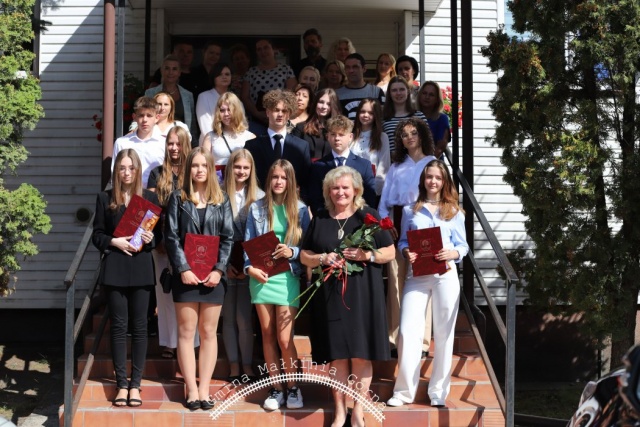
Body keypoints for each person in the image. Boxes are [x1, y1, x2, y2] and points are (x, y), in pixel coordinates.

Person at [300, 166, 395, 427]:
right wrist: (322, 257)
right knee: (337, 355)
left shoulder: (368, 216)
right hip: (330, 297)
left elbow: (390, 252)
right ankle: (340, 411)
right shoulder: (320, 218)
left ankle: (358, 411)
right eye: (335, 188)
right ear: (328, 191)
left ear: (356, 190)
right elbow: (304, 255)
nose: (340, 192)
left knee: (361, 355)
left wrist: (367, 255)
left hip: (364, 296)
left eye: (345, 187)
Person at [387, 159, 469, 408]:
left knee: (444, 333)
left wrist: (452, 253)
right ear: (423, 180)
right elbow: (403, 241)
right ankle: (403, 392)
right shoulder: (410, 210)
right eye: (429, 177)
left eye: (438, 178)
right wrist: (406, 252)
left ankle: (438, 392)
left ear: (444, 182)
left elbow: (463, 246)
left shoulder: (454, 212)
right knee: (407, 331)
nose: (433, 181)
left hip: (446, 275)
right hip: (417, 276)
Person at [164, 147, 234, 410]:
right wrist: (183, 268)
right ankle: (191, 390)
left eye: (204, 165)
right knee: (186, 332)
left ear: (211, 169)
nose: (200, 170)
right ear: (188, 169)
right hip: (186, 276)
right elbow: (171, 237)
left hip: (214, 276)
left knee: (208, 332)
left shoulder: (221, 199)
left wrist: (219, 269)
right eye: (195, 165)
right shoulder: (178, 198)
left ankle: (204, 389)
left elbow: (227, 238)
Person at [92, 149, 161, 408]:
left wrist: (151, 239)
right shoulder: (105, 198)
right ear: (116, 171)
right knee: (119, 327)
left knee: (140, 327)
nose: (127, 172)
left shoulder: (150, 199)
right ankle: (121, 384)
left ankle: (135, 385)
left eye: (131, 167)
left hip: (141, 268)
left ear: (138, 170)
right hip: (116, 267)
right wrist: (114, 241)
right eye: (122, 167)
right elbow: (97, 235)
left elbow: (158, 237)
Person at [244, 159, 311, 411]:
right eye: (275, 177)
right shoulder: (256, 209)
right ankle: (276, 388)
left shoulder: (301, 210)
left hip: (288, 277)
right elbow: (248, 245)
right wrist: (249, 269)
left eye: (283, 177)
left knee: (284, 338)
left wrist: (292, 251)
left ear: (290, 180)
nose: (279, 181)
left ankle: (293, 387)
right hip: (261, 278)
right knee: (267, 334)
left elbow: (309, 248)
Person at [379, 118, 436, 362]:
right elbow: (384, 201)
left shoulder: (432, 163)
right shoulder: (396, 166)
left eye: (413, 133)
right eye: (404, 135)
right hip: (398, 221)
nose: (409, 137)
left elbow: (441, 195)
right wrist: (386, 224)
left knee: (424, 281)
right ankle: (395, 338)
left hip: (423, 221)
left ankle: (422, 341)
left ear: (421, 135)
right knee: (395, 281)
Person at [147, 127, 192, 360]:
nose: (174, 148)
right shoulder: (157, 173)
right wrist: (156, 240)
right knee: (164, 292)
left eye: (178, 143)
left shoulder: (194, 170)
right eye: (170, 143)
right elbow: (151, 209)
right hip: (163, 242)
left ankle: (190, 341)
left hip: (189, 242)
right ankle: (168, 342)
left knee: (188, 293)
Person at [221, 149, 264, 380]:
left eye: (246, 168)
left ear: (252, 170)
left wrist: (250, 264)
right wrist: (224, 264)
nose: (241, 171)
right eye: (237, 166)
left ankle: (247, 365)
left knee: (244, 318)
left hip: (250, 263)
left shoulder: (260, 196)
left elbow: (262, 233)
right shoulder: (218, 193)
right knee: (228, 318)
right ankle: (234, 366)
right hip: (225, 260)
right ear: (230, 168)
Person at [244, 89, 311, 199]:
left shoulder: (301, 146)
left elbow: (306, 180)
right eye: (276, 110)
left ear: (289, 114)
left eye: (284, 111)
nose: (280, 114)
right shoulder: (252, 145)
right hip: (260, 201)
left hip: (291, 202)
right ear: (267, 112)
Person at [309, 115, 376, 214]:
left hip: (357, 218)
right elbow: (315, 199)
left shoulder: (364, 165)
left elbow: (370, 198)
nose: (337, 138)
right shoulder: (318, 166)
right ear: (327, 137)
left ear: (350, 137)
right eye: (333, 134)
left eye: (341, 134)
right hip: (327, 218)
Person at [242, 39, 297, 134]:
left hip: (280, 118)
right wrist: (256, 113)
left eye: (266, 48)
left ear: (274, 50)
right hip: (257, 120)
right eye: (259, 49)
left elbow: (292, 94)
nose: (263, 51)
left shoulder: (286, 69)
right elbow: (244, 96)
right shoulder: (251, 72)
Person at [145, 55, 199, 145]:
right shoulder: (150, 93)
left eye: (174, 69)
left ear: (179, 72)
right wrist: (133, 130)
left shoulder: (188, 95)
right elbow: (143, 115)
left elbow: (192, 125)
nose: (170, 72)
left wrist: (194, 145)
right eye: (167, 68)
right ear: (161, 71)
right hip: (155, 140)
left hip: (180, 143)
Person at [111, 96, 163, 188]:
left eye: (149, 115)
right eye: (141, 115)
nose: (145, 120)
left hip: (156, 192)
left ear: (157, 118)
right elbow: (115, 172)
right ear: (134, 117)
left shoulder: (164, 143)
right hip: (128, 192)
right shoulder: (122, 143)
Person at [351, 98, 391, 197]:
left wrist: (375, 190)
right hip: (351, 189)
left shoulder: (382, 137)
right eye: (362, 111)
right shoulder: (350, 136)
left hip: (372, 190)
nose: (366, 115)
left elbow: (384, 167)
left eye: (370, 113)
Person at [202, 92, 255, 166]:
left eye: (229, 110)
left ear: (237, 111)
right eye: (222, 110)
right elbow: (204, 164)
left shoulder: (250, 137)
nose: (226, 114)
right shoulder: (210, 137)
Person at [382, 76, 428, 152]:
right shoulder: (383, 118)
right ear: (389, 93)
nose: (398, 93)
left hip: (415, 159)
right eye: (394, 90)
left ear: (408, 91)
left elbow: (427, 143)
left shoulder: (419, 116)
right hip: (392, 159)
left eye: (402, 89)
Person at [336, 53, 384, 120]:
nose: (351, 71)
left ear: (364, 68)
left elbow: (382, 118)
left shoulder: (376, 92)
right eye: (348, 67)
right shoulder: (337, 94)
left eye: (355, 67)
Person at [296, 88, 339, 160]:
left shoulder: (338, 130)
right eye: (321, 102)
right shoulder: (301, 127)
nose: (324, 107)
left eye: (329, 104)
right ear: (315, 103)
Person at [196, 62, 232, 144]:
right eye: (220, 74)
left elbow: (240, 123)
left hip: (233, 143)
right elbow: (206, 128)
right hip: (210, 145)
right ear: (213, 77)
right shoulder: (203, 97)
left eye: (227, 74)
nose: (224, 77)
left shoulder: (235, 99)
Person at [419, 81, 451, 159]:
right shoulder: (413, 116)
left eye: (431, 95)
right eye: (424, 93)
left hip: (433, 162)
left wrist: (425, 163)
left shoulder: (442, 119)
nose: (427, 97)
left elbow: (440, 147)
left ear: (437, 99)